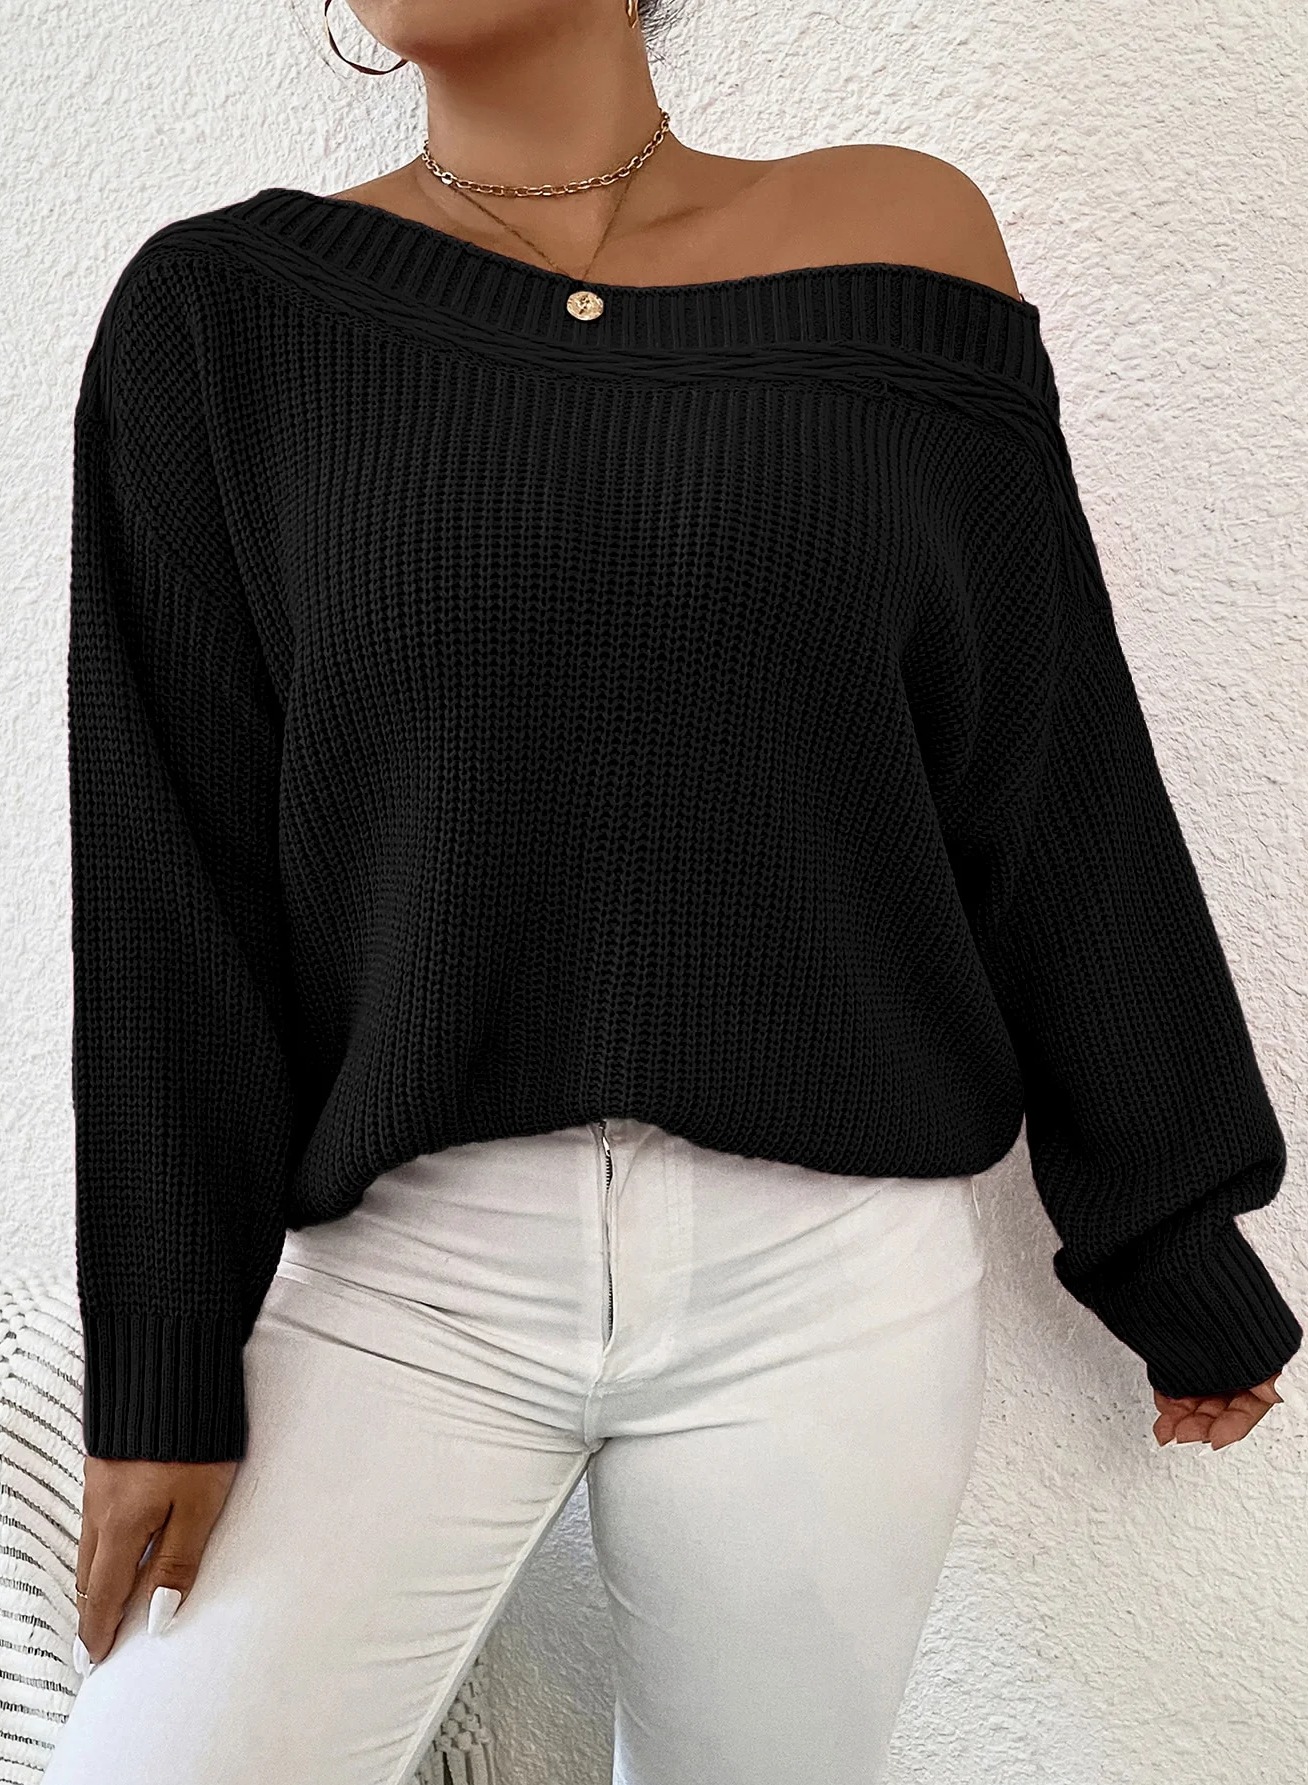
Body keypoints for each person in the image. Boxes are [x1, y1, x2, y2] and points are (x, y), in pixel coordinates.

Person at [48, 0, 1301, 1780]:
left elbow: (1047, 761)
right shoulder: (222, 317)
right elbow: (170, 884)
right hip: (403, 1271)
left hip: (830, 1276)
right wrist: (161, 1366)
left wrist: (1170, 1233)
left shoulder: (903, 239)